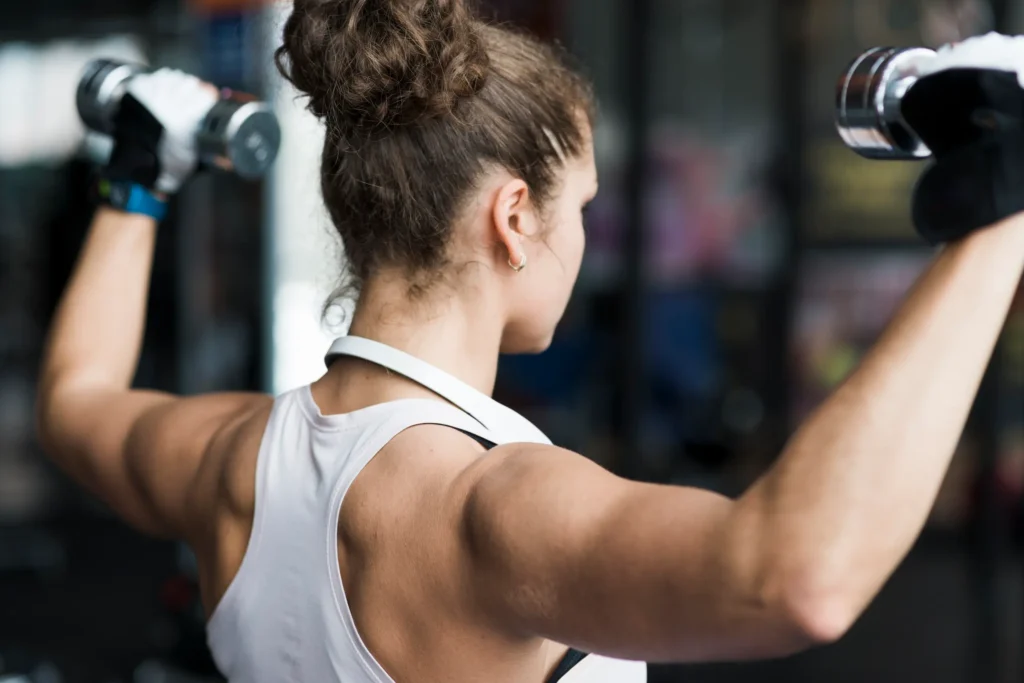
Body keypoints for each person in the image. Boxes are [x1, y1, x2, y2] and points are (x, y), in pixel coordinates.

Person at [35, 1, 1024, 681]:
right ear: (513, 218)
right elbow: (797, 575)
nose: (585, 238)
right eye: (581, 205)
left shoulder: (228, 457)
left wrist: (139, 177)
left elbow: (74, 399)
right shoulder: (488, 503)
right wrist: (1000, 213)